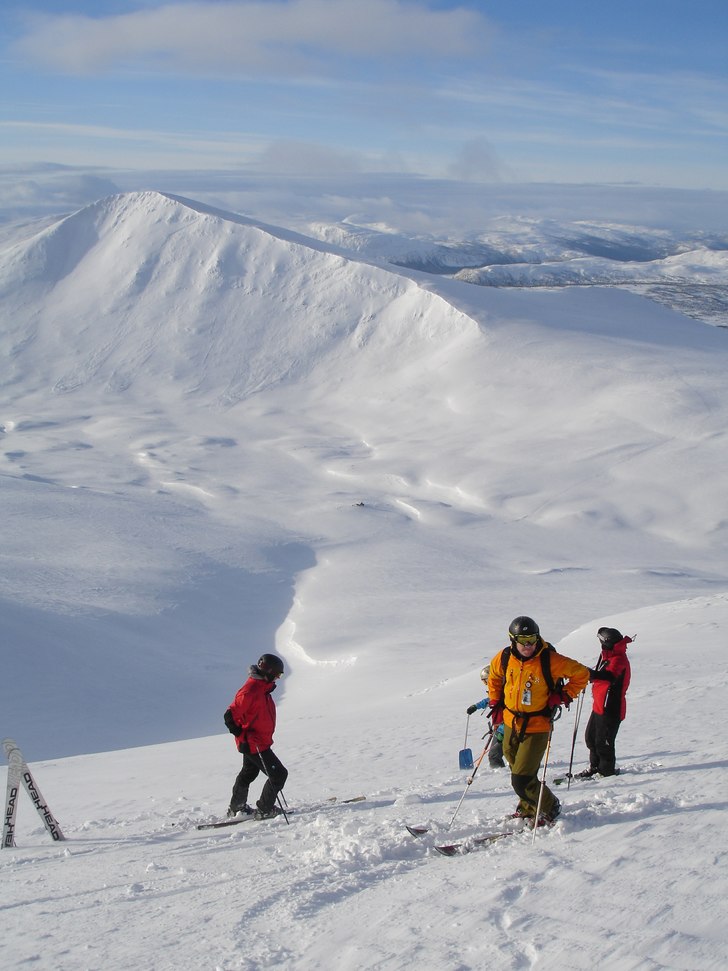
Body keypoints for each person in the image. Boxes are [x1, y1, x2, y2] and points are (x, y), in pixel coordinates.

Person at [487, 616, 590, 825]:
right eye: (523, 640)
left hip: (537, 725)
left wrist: (563, 695)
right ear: (513, 639)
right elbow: (494, 677)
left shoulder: (549, 660)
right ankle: (528, 807)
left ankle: (549, 806)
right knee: (518, 771)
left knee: (521, 778)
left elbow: (581, 674)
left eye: (532, 639)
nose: (528, 645)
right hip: (510, 722)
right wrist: (495, 703)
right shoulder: (504, 657)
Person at [224, 653, 289, 820]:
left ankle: (236, 808)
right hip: (254, 744)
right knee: (279, 774)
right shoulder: (250, 691)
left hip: (257, 742)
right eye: (277, 674)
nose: (278, 678)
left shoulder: (262, 688)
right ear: (268, 671)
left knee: (249, 772)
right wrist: (243, 735)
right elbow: (229, 716)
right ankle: (265, 809)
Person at [576, 627, 632, 779]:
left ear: (608, 642)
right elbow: (600, 675)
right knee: (591, 738)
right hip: (600, 706)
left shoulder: (619, 659)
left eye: (601, 641)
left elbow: (608, 677)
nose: (600, 643)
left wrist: (589, 673)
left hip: (611, 708)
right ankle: (595, 767)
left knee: (604, 743)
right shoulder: (608, 655)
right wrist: (589, 675)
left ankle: (606, 772)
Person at [466, 665, 506, 768]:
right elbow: (489, 700)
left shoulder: (504, 693)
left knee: (494, 756)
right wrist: (476, 706)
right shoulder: (497, 692)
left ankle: (500, 775)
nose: (485, 684)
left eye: (485, 681)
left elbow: (510, 713)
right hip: (500, 729)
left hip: (506, 730)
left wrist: (503, 730)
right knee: (497, 755)